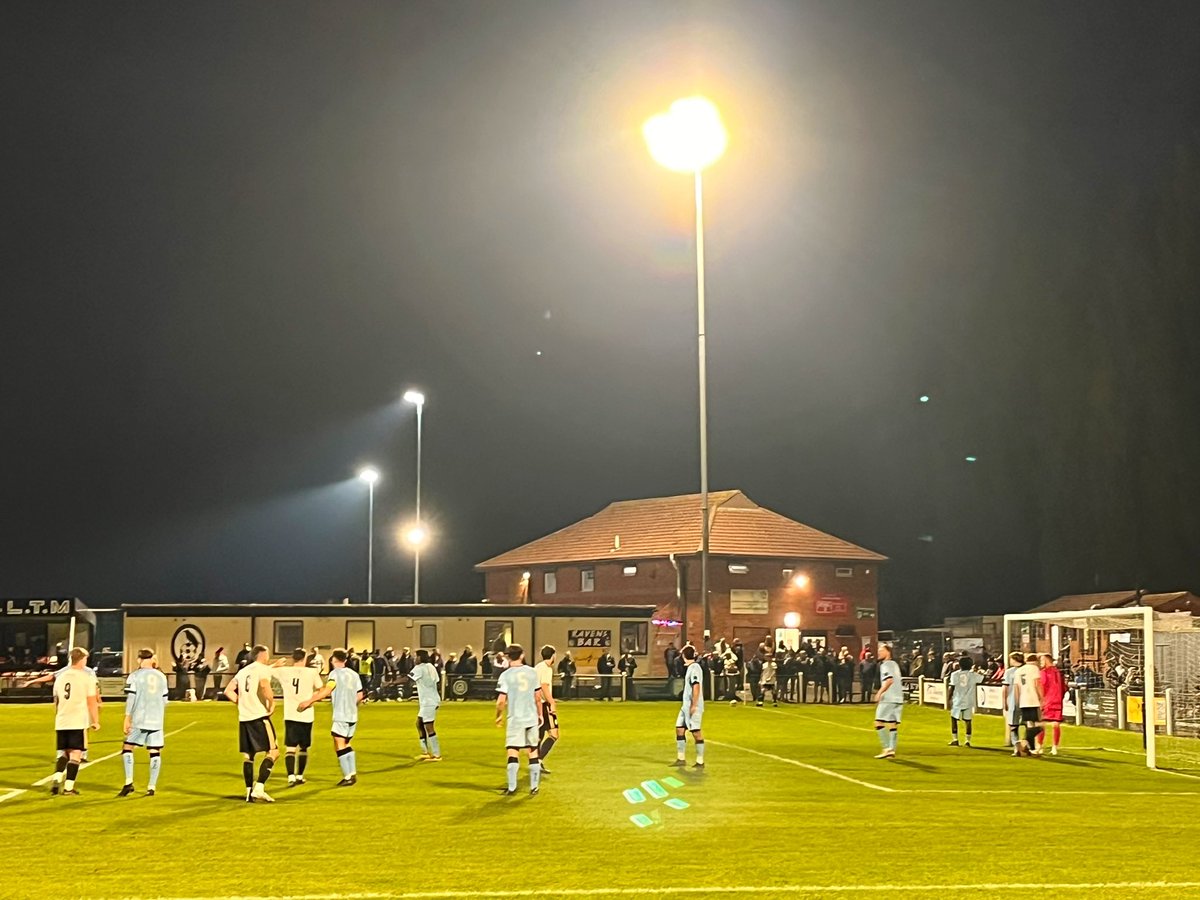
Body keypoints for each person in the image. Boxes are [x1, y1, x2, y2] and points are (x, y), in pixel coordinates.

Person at [298, 648, 364, 786]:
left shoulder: (334, 674)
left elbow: (328, 690)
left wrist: (309, 701)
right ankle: (352, 773)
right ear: (345, 660)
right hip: (353, 715)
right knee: (346, 743)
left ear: (334, 659)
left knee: (339, 743)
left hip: (341, 714)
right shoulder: (354, 674)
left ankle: (348, 777)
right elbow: (359, 696)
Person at [224, 644, 280, 802]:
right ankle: (259, 787)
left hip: (244, 718)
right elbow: (264, 685)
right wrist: (272, 702)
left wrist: (240, 703)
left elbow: (228, 690)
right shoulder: (261, 669)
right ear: (262, 655)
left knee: (249, 755)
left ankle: (248, 792)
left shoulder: (243, 671)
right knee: (273, 751)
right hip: (258, 716)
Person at [495, 644, 545, 796]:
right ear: (522, 655)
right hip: (531, 717)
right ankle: (534, 787)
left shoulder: (505, 675)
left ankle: (512, 788)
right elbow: (538, 697)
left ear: (508, 656)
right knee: (533, 751)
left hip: (515, 719)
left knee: (512, 751)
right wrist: (540, 714)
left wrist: (498, 716)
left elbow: (501, 701)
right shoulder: (532, 672)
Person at [118, 648, 169, 796]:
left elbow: (131, 698)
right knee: (154, 751)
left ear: (139, 659)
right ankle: (151, 787)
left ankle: (128, 783)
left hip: (140, 719)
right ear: (152, 659)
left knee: (127, 747)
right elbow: (165, 700)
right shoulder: (161, 676)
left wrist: (127, 717)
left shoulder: (134, 676)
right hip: (157, 720)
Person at [49, 648, 100, 796]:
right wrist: (95, 721)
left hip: (62, 720)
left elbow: (56, 701)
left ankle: (57, 778)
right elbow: (92, 701)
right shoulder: (86, 678)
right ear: (83, 659)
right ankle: (68, 788)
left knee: (64, 753)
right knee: (75, 754)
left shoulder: (61, 677)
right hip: (77, 720)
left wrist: (59, 715)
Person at [271, 648, 325, 786]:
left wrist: (275, 664)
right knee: (303, 747)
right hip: (306, 714)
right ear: (305, 657)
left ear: (292, 658)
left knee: (290, 747)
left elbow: (265, 672)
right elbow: (320, 690)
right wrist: (310, 700)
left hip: (290, 713)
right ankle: (300, 775)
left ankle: (290, 777)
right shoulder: (312, 672)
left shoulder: (284, 671)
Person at [671, 644, 705, 769]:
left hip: (692, 705)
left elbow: (696, 686)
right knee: (679, 728)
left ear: (684, 655)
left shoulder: (695, 668)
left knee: (696, 732)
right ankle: (681, 758)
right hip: (685, 706)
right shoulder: (691, 667)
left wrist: (694, 705)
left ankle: (700, 761)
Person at [409, 649, 442, 761]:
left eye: (416, 656)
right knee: (419, 723)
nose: (414, 659)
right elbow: (436, 681)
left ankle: (437, 755)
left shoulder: (420, 668)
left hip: (428, 702)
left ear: (420, 658)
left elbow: (407, 679)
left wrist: (390, 683)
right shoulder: (431, 666)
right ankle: (425, 752)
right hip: (432, 699)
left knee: (429, 726)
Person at [873, 643, 903, 759]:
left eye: (881, 650)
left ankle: (886, 748)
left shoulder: (885, 665)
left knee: (878, 722)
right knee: (892, 724)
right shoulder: (895, 664)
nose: (879, 652)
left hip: (889, 698)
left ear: (888, 652)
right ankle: (892, 749)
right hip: (898, 697)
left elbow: (889, 680)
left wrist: (879, 692)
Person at [948, 656, 984, 747]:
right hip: (969, 700)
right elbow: (983, 679)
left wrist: (948, 698)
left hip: (957, 699)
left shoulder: (955, 674)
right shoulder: (973, 675)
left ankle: (955, 739)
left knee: (954, 719)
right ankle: (967, 741)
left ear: (959, 665)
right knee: (968, 720)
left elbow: (951, 687)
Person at [1013, 652, 1044, 757]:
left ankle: (1032, 749)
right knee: (1040, 726)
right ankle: (1023, 742)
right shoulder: (1034, 669)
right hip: (1033, 700)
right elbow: (1037, 684)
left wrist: (1017, 702)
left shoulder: (1019, 671)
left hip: (1023, 701)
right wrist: (1042, 698)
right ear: (1035, 661)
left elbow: (1016, 688)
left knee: (1030, 725)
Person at [535, 645, 559, 773]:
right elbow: (544, 686)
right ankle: (538, 761)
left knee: (540, 734)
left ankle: (535, 762)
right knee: (554, 734)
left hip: (536, 704)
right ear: (553, 655)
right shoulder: (546, 669)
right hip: (545, 704)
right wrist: (552, 703)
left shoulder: (537, 667)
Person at [1037, 653, 1067, 756]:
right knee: (1056, 725)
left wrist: (1040, 699)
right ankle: (1054, 748)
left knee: (1041, 725)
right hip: (1057, 701)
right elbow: (1064, 687)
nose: (1041, 663)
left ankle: (1040, 747)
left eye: (1042, 660)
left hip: (1046, 701)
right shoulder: (1058, 672)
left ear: (1046, 660)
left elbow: (1042, 685)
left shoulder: (1043, 672)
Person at [1001, 651, 1024, 748]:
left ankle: (1016, 744)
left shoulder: (1009, 672)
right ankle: (1028, 744)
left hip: (1013, 701)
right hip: (1026, 701)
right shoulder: (1027, 670)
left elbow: (1005, 688)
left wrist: (1004, 701)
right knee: (1028, 724)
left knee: (1013, 724)